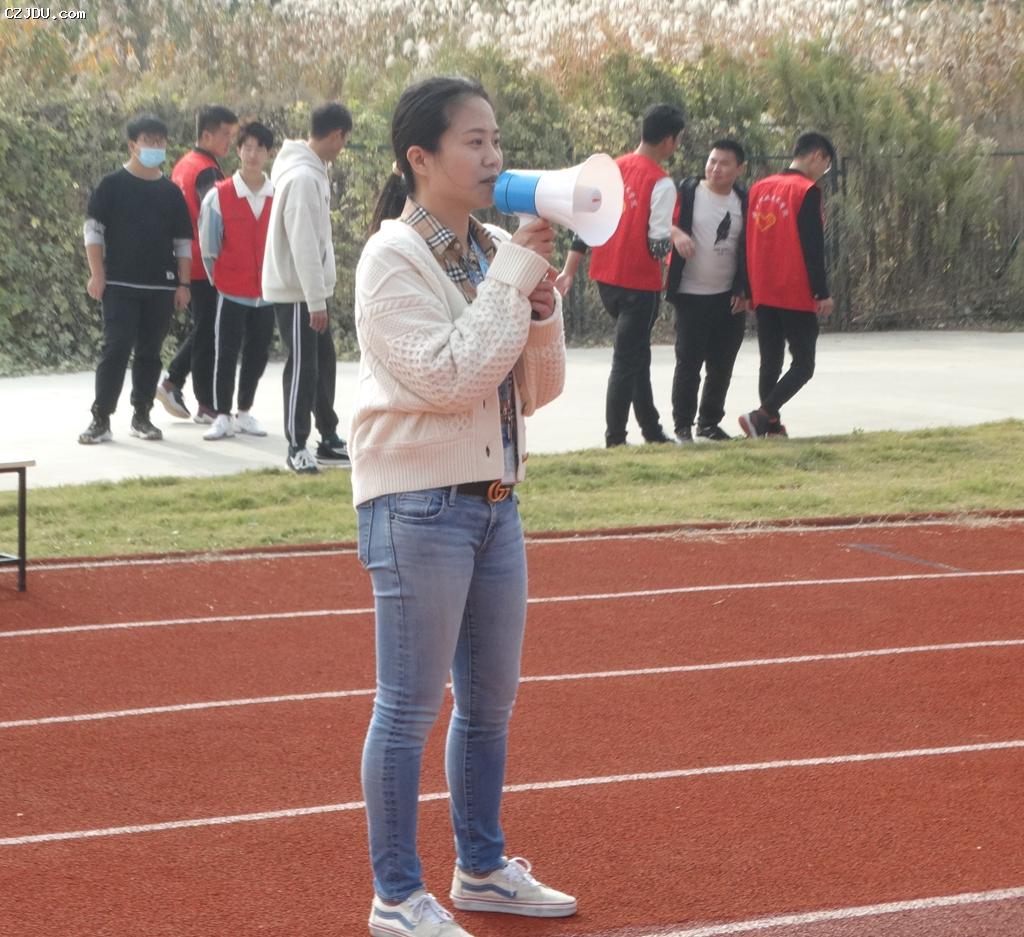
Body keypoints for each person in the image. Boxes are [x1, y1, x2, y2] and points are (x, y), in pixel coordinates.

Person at [351, 76, 573, 937]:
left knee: (488, 704)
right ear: (421, 157)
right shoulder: (391, 258)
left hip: (495, 502)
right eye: (474, 141)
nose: (494, 156)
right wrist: (516, 280)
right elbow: (449, 378)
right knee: (408, 708)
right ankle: (397, 895)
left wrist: (542, 313)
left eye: (496, 139)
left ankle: (480, 868)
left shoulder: (493, 248)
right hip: (418, 505)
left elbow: (536, 389)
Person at [557, 103, 686, 447]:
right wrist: (675, 239)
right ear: (669, 140)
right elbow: (657, 243)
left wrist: (569, 270)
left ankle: (651, 429)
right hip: (639, 283)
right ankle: (615, 437)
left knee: (637, 354)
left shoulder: (610, 170)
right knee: (627, 360)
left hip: (606, 279)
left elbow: (585, 226)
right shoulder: (661, 182)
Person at [79, 115, 193, 445]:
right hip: (119, 284)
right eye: (148, 141)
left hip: (161, 286)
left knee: (150, 353)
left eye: (160, 141)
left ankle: (142, 415)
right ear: (132, 145)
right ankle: (101, 418)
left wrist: (184, 284)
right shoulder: (111, 185)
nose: (156, 147)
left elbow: (183, 242)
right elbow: (93, 232)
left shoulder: (171, 192)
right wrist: (97, 274)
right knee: (115, 349)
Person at [261, 102, 352, 474]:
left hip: (311, 291)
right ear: (336, 135)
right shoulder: (302, 177)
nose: (342, 148)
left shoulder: (312, 170)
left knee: (322, 363)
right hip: (297, 292)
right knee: (303, 366)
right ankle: (296, 445)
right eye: (344, 140)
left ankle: (327, 436)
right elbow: (303, 243)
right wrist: (314, 300)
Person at [738, 132, 836, 438]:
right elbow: (812, 246)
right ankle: (762, 415)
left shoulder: (758, 188)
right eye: (826, 166)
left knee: (771, 361)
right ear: (817, 156)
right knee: (804, 364)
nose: (823, 172)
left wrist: (747, 288)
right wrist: (821, 292)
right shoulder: (806, 191)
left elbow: (745, 241)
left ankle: (770, 426)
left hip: (763, 288)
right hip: (794, 289)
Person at [157, 104, 239, 424]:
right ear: (206, 135)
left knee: (205, 328)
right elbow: (216, 217)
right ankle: (205, 404)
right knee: (210, 333)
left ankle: (173, 381)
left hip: (186, 260)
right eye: (225, 135)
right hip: (205, 262)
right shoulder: (207, 171)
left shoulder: (183, 165)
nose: (230, 141)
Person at [197, 121, 276, 440]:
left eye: (260, 148)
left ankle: (244, 412)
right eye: (247, 147)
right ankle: (221, 415)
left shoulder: (278, 195)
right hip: (231, 291)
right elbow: (209, 247)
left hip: (268, 293)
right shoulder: (219, 196)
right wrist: (221, 280)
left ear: (269, 154)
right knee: (225, 354)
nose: (253, 154)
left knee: (258, 355)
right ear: (239, 151)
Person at [666, 139, 749, 443]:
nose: (715, 168)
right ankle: (683, 425)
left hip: (728, 296)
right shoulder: (687, 192)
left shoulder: (744, 201)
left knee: (722, 365)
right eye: (712, 161)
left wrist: (744, 288)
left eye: (724, 163)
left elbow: (749, 248)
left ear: (739, 169)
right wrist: (676, 234)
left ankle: (709, 423)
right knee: (689, 363)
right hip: (691, 294)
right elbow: (656, 220)